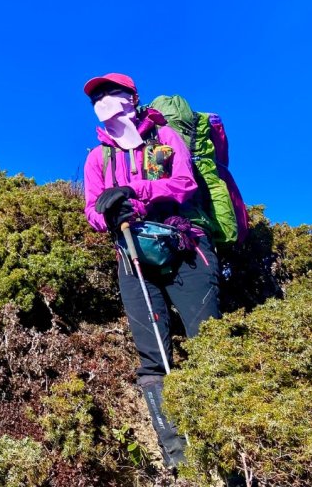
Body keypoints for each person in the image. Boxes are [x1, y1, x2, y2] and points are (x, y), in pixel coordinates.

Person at [82, 72, 221, 471]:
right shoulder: (98, 157)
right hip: (132, 257)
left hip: (186, 251)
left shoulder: (165, 138)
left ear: (133, 97)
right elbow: (92, 210)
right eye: (98, 95)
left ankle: (225, 448)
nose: (106, 99)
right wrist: (108, 214)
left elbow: (184, 184)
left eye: (113, 92)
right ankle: (180, 458)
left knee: (209, 345)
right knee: (151, 358)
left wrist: (135, 195)